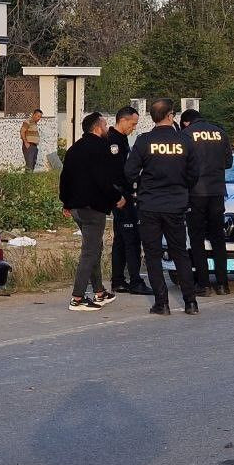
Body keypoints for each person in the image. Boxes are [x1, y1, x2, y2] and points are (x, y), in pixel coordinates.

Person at [124, 98, 199, 316]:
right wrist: (181, 189)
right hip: (176, 206)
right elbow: (194, 174)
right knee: (180, 254)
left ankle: (162, 303)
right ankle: (190, 303)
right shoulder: (184, 141)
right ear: (170, 115)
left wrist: (139, 188)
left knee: (153, 254)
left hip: (149, 205)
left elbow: (129, 173)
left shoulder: (143, 141)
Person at [59, 112, 124, 311]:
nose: (107, 128)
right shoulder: (100, 148)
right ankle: (77, 298)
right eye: (105, 124)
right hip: (93, 209)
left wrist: (66, 203)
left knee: (94, 247)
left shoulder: (73, 149)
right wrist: (117, 197)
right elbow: (103, 180)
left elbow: (65, 178)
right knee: (90, 252)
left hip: (76, 208)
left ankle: (99, 292)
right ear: (97, 127)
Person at [180, 108, 234, 296]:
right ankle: (223, 284)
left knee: (197, 239)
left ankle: (203, 284)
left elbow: (182, 164)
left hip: (195, 193)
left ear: (186, 122)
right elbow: (228, 163)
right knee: (218, 238)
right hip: (217, 191)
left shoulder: (186, 134)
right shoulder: (220, 132)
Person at [107, 106, 151, 296]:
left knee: (120, 240)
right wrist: (121, 195)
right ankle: (135, 280)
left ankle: (118, 280)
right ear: (123, 120)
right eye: (132, 124)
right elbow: (114, 174)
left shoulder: (122, 139)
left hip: (124, 196)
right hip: (121, 198)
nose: (134, 128)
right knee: (131, 239)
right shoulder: (113, 142)